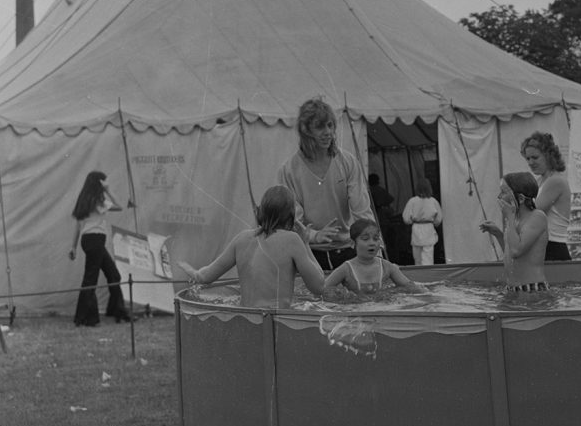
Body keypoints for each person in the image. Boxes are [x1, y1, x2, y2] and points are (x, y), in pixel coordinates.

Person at [177, 185, 325, 308]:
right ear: (291, 216)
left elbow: (204, 277)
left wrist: (189, 268)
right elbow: (319, 286)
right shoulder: (292, 240)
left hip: (246, 320)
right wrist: (305, 243)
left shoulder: (241, 239)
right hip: (277, 324)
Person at [278, 98, 373, 270]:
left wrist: (372, 243)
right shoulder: (289, 170)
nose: (328, 132)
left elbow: (362, 211)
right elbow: (291, 221)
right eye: (320, 127)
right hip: (309, 254)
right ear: (306, 130)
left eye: (330, 125)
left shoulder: (347, 162)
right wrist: (315, 236)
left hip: (347, 251)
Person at [69, 171, 129, 326]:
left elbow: (78, 226)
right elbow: (119, 206)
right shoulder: (97, 200)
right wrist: (108, 190)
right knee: (91, 279)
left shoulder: (84, 200)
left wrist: (73, 247)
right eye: (105, 181)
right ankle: (85, 318)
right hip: (95, 240)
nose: (107, 183)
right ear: (99, 183)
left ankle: (116, 311)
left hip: (89, 240)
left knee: (113, 275)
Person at [480, 172, 549, 292]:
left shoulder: (537, 217)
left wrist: (510, 219)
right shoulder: (515, 219)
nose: (499, 196)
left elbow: (517, 251)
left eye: (504, 192)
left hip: (532, 289)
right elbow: (510, 254)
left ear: (521, 198)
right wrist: (498, 234)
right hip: (514, 289)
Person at [323, 219, 418, 295]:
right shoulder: (346, 269)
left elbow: (412, 287)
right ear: (352, 243)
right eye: (365, 239)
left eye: (376, 239)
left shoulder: (387, 267)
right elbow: (321, 290)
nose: (372, 243)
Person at [520, 132, 572, 261]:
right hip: (540, 246)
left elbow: (532, 214)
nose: (531, 162)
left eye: (535, 157)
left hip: (553, 247)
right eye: (528, 159)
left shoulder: (556, 181)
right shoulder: (539, 181)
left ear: (548, 156)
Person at [401, 179, 442, 265]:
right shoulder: (433, 201)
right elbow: (438, 218)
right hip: (429, 228)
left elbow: (406, 218)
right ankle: (428, 274)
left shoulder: (412, 201)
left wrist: (411, 221)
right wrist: (434, 223)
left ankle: (419, 273)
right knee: (428, 256)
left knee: (417, 256)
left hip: (417, 228)